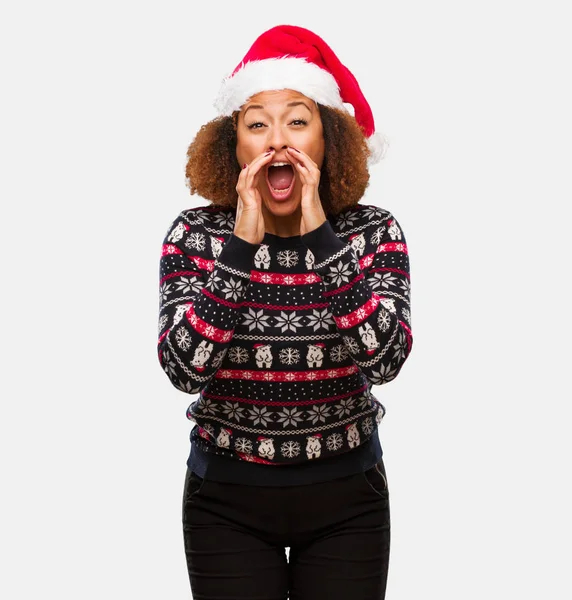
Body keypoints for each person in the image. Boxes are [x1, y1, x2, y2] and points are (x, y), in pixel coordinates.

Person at [157, 24, 413, 600]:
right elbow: (183, 369)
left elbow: (387, 356)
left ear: (331, 139)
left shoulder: (372, 233)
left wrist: (322, 236)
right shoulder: (195, 235)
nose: (278, 140)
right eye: (257, 124)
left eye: (298, 120)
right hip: (225, 502)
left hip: (349, 500)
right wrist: (241, 249)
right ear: (234, 146)